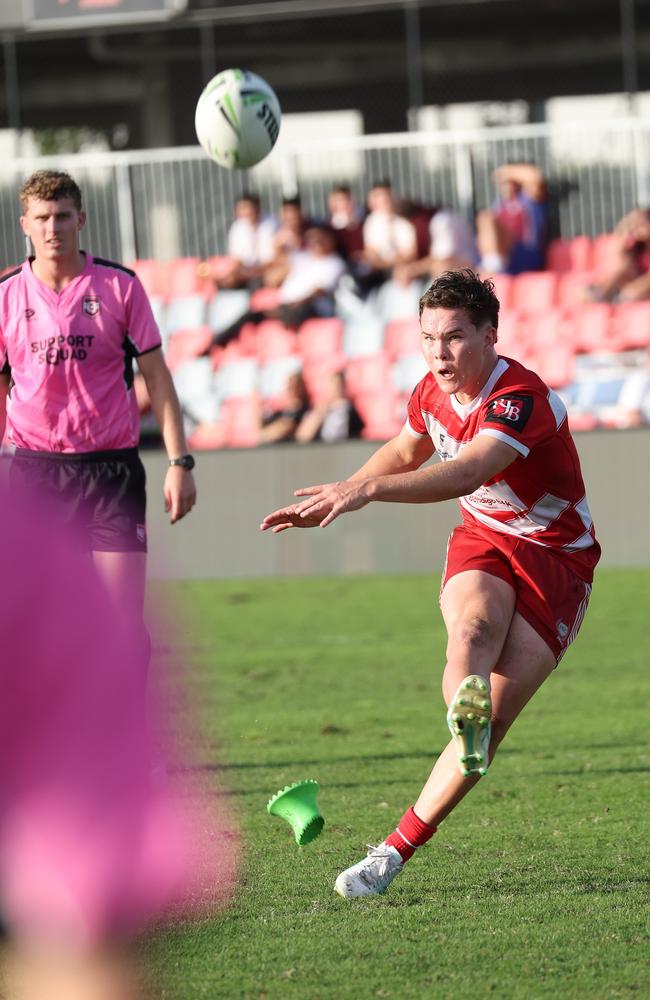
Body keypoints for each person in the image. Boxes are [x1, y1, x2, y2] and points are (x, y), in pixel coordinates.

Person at [261, 268, 600, 899]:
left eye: (453, 338)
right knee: (471, 631)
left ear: (490, 335)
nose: (439, 354)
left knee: (492, 727)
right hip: (486, 538)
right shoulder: (429, 391)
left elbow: (467, 470)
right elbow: (403, 450)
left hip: (558, 560)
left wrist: (366, 492)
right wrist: (344, 487)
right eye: (427, 338)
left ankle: (393, 851)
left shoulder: (518, 397)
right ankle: (461, 713)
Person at [0, 170, 196, 686]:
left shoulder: (118, 285)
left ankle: (133, 751)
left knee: (123, 620)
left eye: (62, 216)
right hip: (36, 473)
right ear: (24, 224)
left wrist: (180, 462)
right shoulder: (5, 296)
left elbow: (157, 376)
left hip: (111, 472)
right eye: (41, 218)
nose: (52, 228)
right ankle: (51, 752)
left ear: (81, 219)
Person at [212, 225, 346, 347]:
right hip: (287, 305)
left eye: (319, 238)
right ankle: (217, 342)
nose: (315, 242)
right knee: (251, 314)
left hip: (311, 308)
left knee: (299, 310)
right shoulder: (304, 258)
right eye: (312, 239)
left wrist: (294, 304)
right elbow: (278, 262)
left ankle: (289, 337)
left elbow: (318, 292)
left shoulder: (335, 263)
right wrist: (280, 241)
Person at [476, 162, 548, 274]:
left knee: (487, 219)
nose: (506, 185)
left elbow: (534, 177)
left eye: (510, 181)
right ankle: (492, 264)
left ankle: (494, 267)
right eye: (503, 183)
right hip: (504, 255)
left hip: (526, 253)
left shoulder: (528, 200)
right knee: (484, 217)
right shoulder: (498, 205)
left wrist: (506, 171)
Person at [199, 191, 278, 290]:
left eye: (247, 208)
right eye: (241, 209)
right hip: (247, 270)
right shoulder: (238, 227)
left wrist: (254, 270)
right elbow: (236, 258)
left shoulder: (272, 224)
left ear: (257, 208)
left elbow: (274, 258)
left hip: (267, 268)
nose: (245, 212)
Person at [394, 205, 479, 286]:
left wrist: (412, 270)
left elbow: (442, 257)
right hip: (459, 268)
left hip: (470, 267)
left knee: (441, 268)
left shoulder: (442, 221)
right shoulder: (433, 222)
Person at [585, 208, 650, 303]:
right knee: (624, 265)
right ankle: (601, 293)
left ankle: (620, 297)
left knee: (632, 291)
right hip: (637, 280)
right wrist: (628, 222)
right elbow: (616, 246)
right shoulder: (638, 246)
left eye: (643, 224)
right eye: (637, 225)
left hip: (645, 285)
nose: (639, 228)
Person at [295, 369, 364, 444]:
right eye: (332, 384)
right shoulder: (318, 410)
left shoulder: (351, 410)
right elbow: (302, 436)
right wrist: (319, 413)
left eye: (339, 384)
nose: (336, 388)